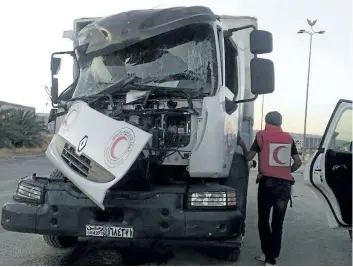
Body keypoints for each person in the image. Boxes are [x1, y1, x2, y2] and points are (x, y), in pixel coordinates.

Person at [237, 111, 302, 266]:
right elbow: (298, 162)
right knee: (277, 223)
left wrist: (242, 144)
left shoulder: (261, 136)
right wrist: (286, 171)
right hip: (285, 186)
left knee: (264, 221)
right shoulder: (288, 138)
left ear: (266, 121)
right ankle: (272, 257)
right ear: (280, 122)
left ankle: (268, 255)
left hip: (268, 184)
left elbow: (249, 157)